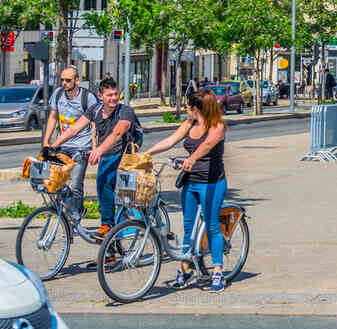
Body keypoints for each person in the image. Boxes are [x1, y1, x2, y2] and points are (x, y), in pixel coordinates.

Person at [144, 90, 229, 292]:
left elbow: (207, 145)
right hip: (190, 182)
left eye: (187, 106)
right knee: (188, 227)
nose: (185, 109)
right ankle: (185, 267)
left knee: (212, 226)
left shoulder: (218, 126)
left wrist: (192, 158)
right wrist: (147, 153)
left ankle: (218, 270)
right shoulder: (189, 124)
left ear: (196, 109)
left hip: (212, 183)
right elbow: (170, 140)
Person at [49, 76, 137, 238]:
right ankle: (110, 237)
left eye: (116, 94)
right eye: (109, 95)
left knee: (106, 185)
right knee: (103, 187)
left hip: (126, 156)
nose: (114, 98)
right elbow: (73, 129)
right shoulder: (95, 110)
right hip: (107, 154)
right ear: (100, 96)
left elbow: (118, 132)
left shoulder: (125, 111)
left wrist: (99, 150)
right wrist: (52, 146)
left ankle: (108, 226)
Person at [42, 67, 99, 221]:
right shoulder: (58, 94)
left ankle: (75, 216)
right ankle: (69, 209)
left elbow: (94, 124)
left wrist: (94, 148)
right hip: (63, 145)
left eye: (68, 80)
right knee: (56, 181)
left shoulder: (88, 98)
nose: (64, 83)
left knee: (76, 184)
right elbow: (53, 117)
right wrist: (46, 141)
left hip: (82, 147)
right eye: (62, 80)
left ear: (77, 81)